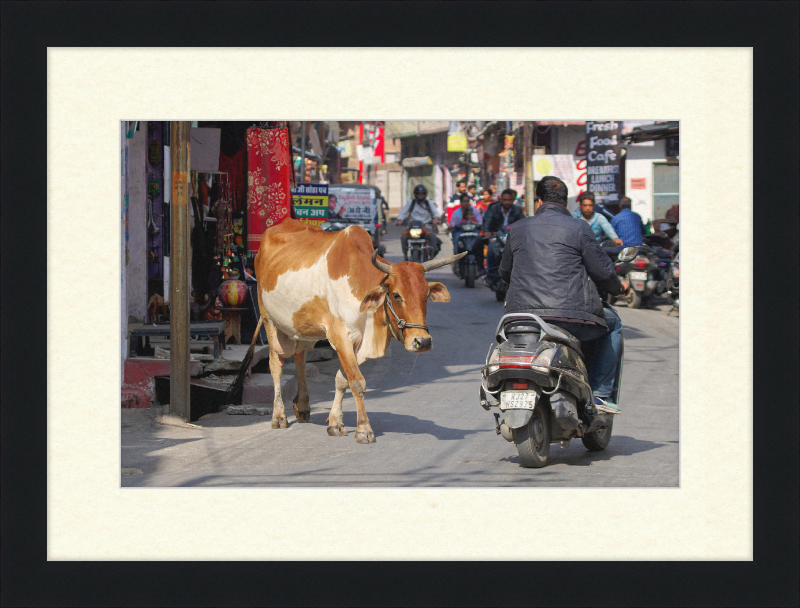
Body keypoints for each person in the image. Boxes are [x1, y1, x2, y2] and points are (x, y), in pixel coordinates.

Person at [498, 176, 630, 414]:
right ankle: (599, 394)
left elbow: (504, 272)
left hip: (520, 319)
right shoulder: (580, 228)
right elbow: (602, 272)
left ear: (538, 201)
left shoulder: (517, 228)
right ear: (566, 203)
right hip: (571, 318)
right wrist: (619, 288)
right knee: (614, 323)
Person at [482, 188, 524, 284]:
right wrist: (487, 231)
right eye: (505, 200)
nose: (507, 202)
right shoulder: (494, 208)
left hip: (512, 237)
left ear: (512, 200)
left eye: (509, 200)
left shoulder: (517, 209)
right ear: (501, 200)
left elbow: (523, 222)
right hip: (497, 236)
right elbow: (488, 221)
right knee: (491, 250)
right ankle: (490, 274)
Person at [397, 184, 440, 261]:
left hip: (426, 226)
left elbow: (435, 213)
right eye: (419, 194)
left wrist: (436, 218)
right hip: (411, 226)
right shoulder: (410, 203)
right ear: (415, 194)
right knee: (403, 237)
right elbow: (403, 212)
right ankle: (406, 254)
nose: (420, 195)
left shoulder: (429, 203)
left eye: (422, 194)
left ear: (425, 194)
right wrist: (400, 219)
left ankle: (431, 253)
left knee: (432, 237)